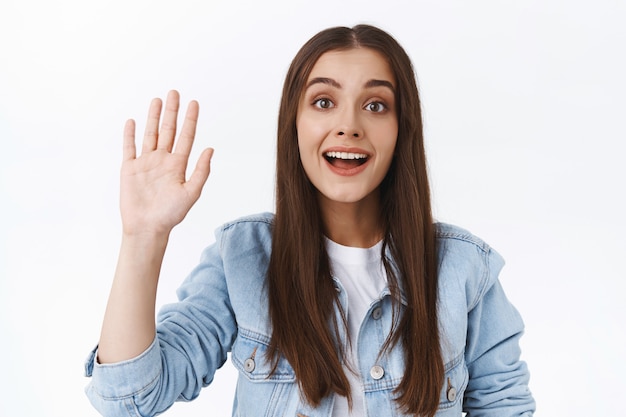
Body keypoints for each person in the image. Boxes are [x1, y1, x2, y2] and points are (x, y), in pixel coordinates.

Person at [84, 24, 535, 417]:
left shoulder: (463, 269)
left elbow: (505, 408)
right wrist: (143, 236)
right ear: (294, 124)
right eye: (323, 101)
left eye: (376, 105)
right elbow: (127, 400)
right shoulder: (242, 257)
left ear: (403, 129)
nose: (349, 125)